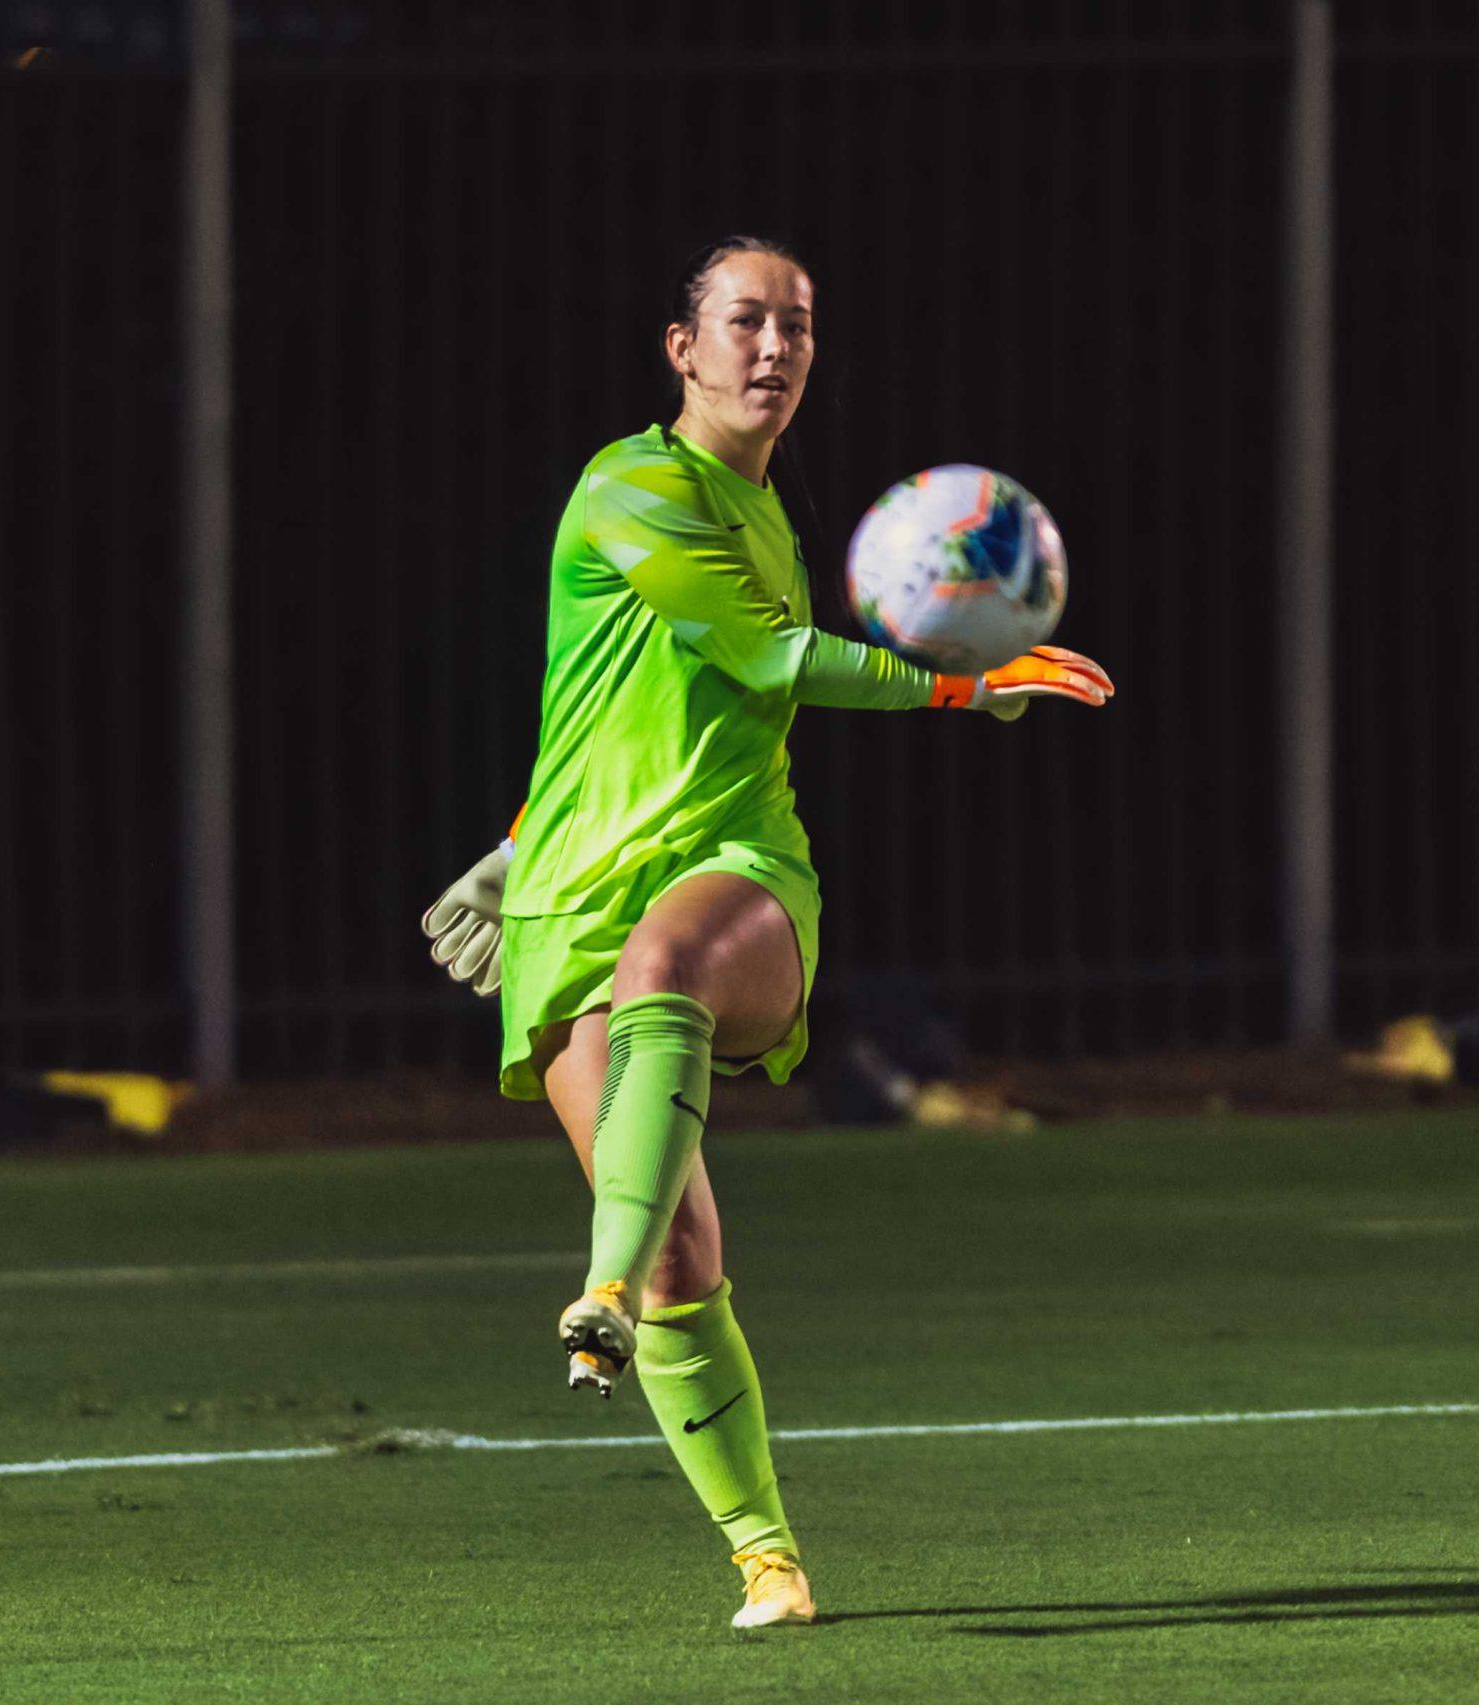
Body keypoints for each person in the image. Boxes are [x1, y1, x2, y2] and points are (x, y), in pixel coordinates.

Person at [420, 235, 1113, 1630]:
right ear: (682, 348)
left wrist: (950, 688)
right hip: (574, 895)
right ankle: (767, 1556)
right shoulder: (633, 488)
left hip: (739, 872)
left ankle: (597, 1290)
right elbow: (744, 664)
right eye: (745, 322)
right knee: (690, 1258)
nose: (775, 349)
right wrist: (965, 688)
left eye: (797, 326)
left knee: (667, 968)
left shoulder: (767, 513)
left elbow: (696, 699)